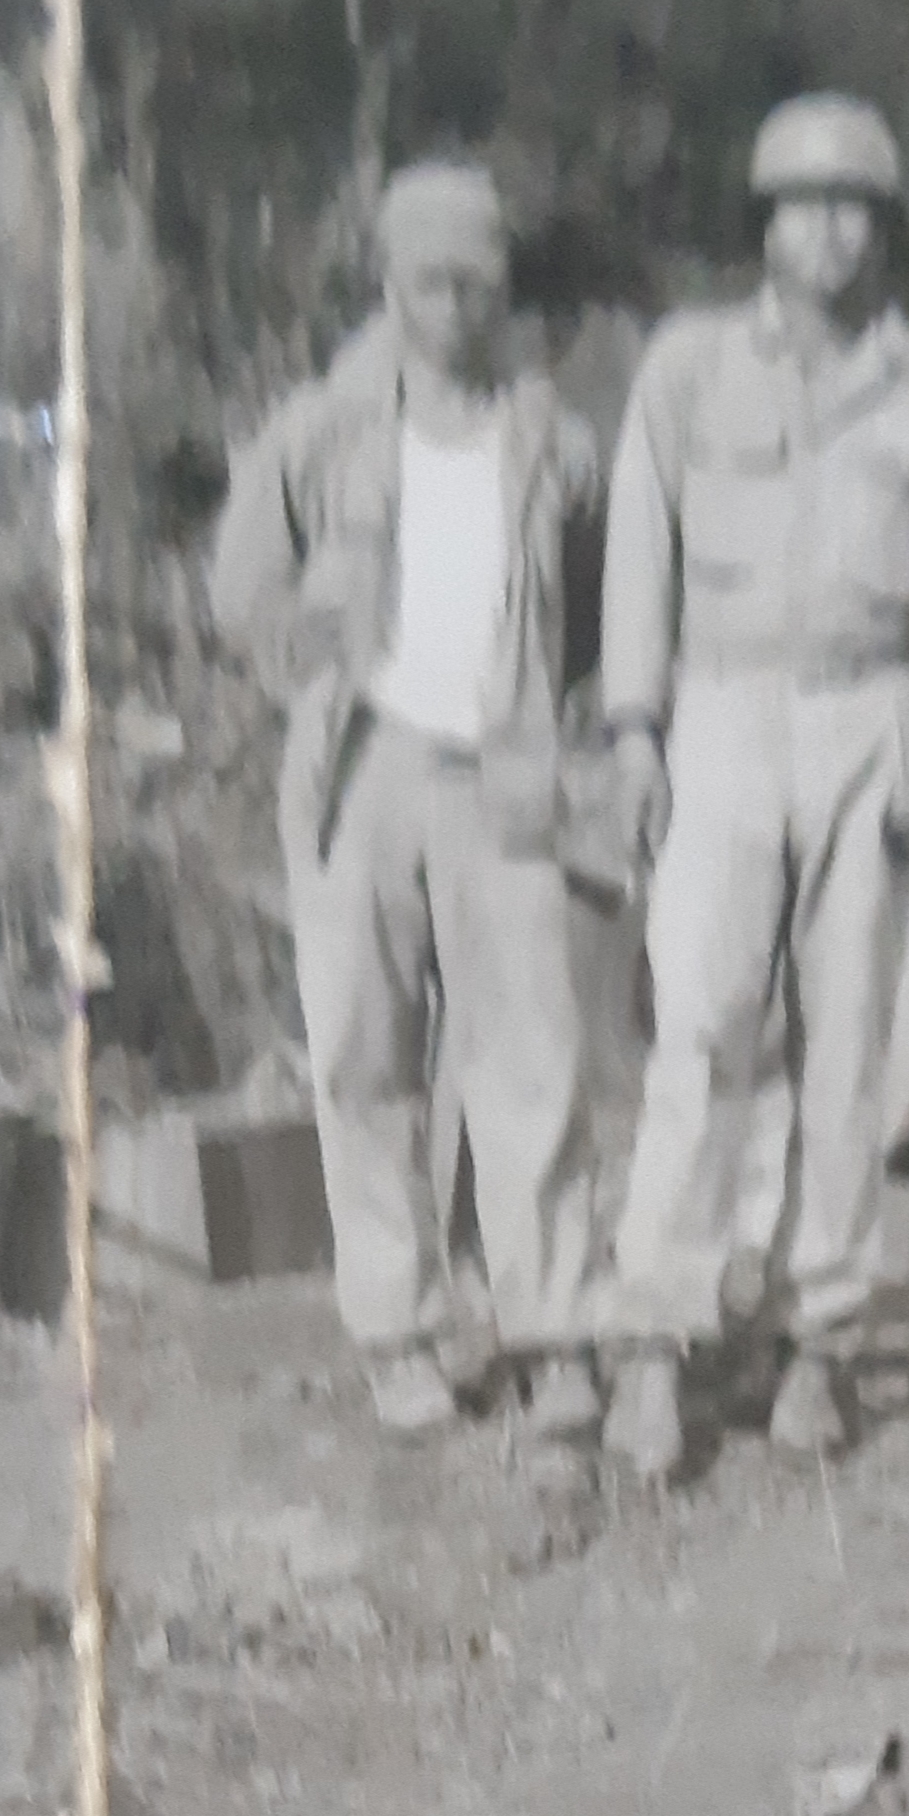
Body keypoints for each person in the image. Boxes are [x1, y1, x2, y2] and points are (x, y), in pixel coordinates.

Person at [596, 94, 909, 1479]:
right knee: (700, 1025)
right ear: (762, 223)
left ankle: (817, 1339)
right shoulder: (687, 369)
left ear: (883, 231)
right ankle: (655, 1341)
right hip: (721, 709)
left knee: (850, 1042)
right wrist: (632, 730)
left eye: (853, 208)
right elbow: (639, 550)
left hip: (869, 716)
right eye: (801, 204)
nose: (827, 232)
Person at [211, 160, 607, 1440]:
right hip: (361, 772)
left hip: (501, 769)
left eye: (476, 284)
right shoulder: (321, 432)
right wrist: (305, 662)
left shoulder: (552, 441)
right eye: (429, 282)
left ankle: (553, 1329)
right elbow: (241, 585)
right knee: (364, 1057)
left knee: (532, 1058)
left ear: (503, 291)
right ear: (388, 284)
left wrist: (541, 706)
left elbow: (588, 598)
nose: (453, 307)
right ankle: (398, 1331)